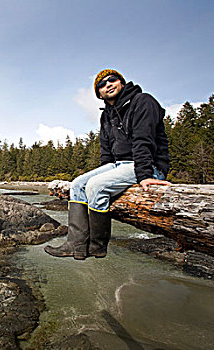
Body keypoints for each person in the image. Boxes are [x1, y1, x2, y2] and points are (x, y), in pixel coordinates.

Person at [45, 69, 171, 260]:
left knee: (97, 186)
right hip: (119, 165)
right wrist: (103, 171)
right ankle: (76, 245)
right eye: (102, 85)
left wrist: (146, 175)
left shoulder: (142, 101)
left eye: (112, 80)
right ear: (99, 94)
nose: (108, 85)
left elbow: (144, 139)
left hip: (148, 165)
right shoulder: (106, 115)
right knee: (78, 184)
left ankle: (97, 246)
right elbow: (107, 149)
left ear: (121, 82)